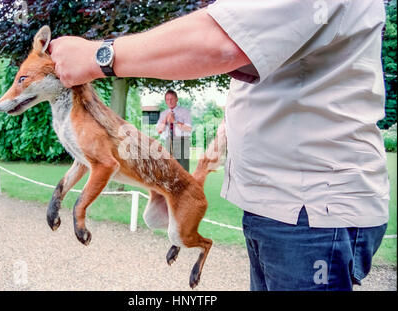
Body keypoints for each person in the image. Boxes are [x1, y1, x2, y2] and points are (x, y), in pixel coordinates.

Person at [49, 0, 390, 291]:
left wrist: (99, 55)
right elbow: (264, 73)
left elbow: (221, 44)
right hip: (279, 205)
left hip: (310, 212)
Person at [156, 89, 192, 172]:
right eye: (167, 99)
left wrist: (174, 121)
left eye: (172, 99)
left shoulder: (185, 112)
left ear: (177, 99)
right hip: (168, 141)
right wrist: (165, 119)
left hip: (182, 141)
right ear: (165, 101)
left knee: (183, 169)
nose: (170, 101)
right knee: (169, 168)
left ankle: (185, 185)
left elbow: (189, 128)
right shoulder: (163, 113)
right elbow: (159, 130)